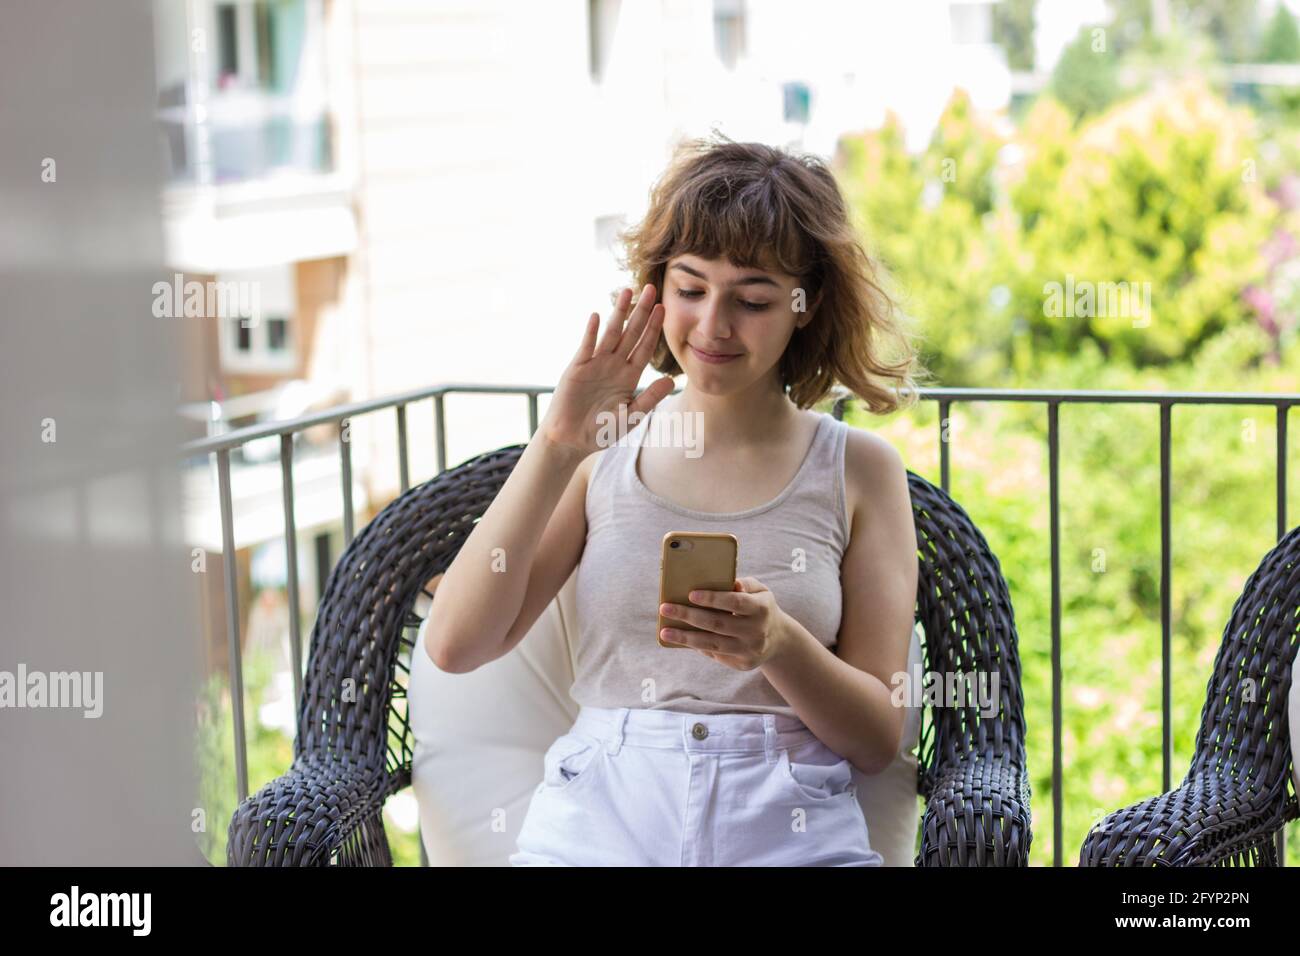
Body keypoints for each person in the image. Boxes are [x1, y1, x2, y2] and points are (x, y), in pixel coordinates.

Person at [424, 135, 927, 866]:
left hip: (790, 821)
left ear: (804, 305)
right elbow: (455, 645)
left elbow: (879, 738)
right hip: (602, 813)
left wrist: (779, 644)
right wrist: (558, 444)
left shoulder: (861, 470)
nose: (713, 326)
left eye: (752, 299)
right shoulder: (600, 454)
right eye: (691, 290)